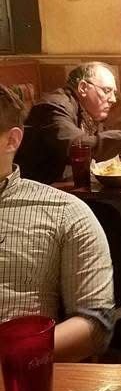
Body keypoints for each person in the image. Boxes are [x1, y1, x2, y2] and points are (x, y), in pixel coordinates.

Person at [0, 85, 114, 361]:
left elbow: (95, 323)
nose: (111, 98)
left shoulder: (65, 213)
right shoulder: (58, 105)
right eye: (106, 90)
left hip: (21, 382)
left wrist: (14, 355)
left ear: (12, 141)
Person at [16, 61, 121, 184]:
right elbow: (76, 147)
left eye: (114, 93)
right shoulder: (54, 106)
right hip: (40, 190)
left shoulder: (86, 109)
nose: (113, 99)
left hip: (67, 185)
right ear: (83, 88)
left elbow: (95, 141)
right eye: (107, 90)